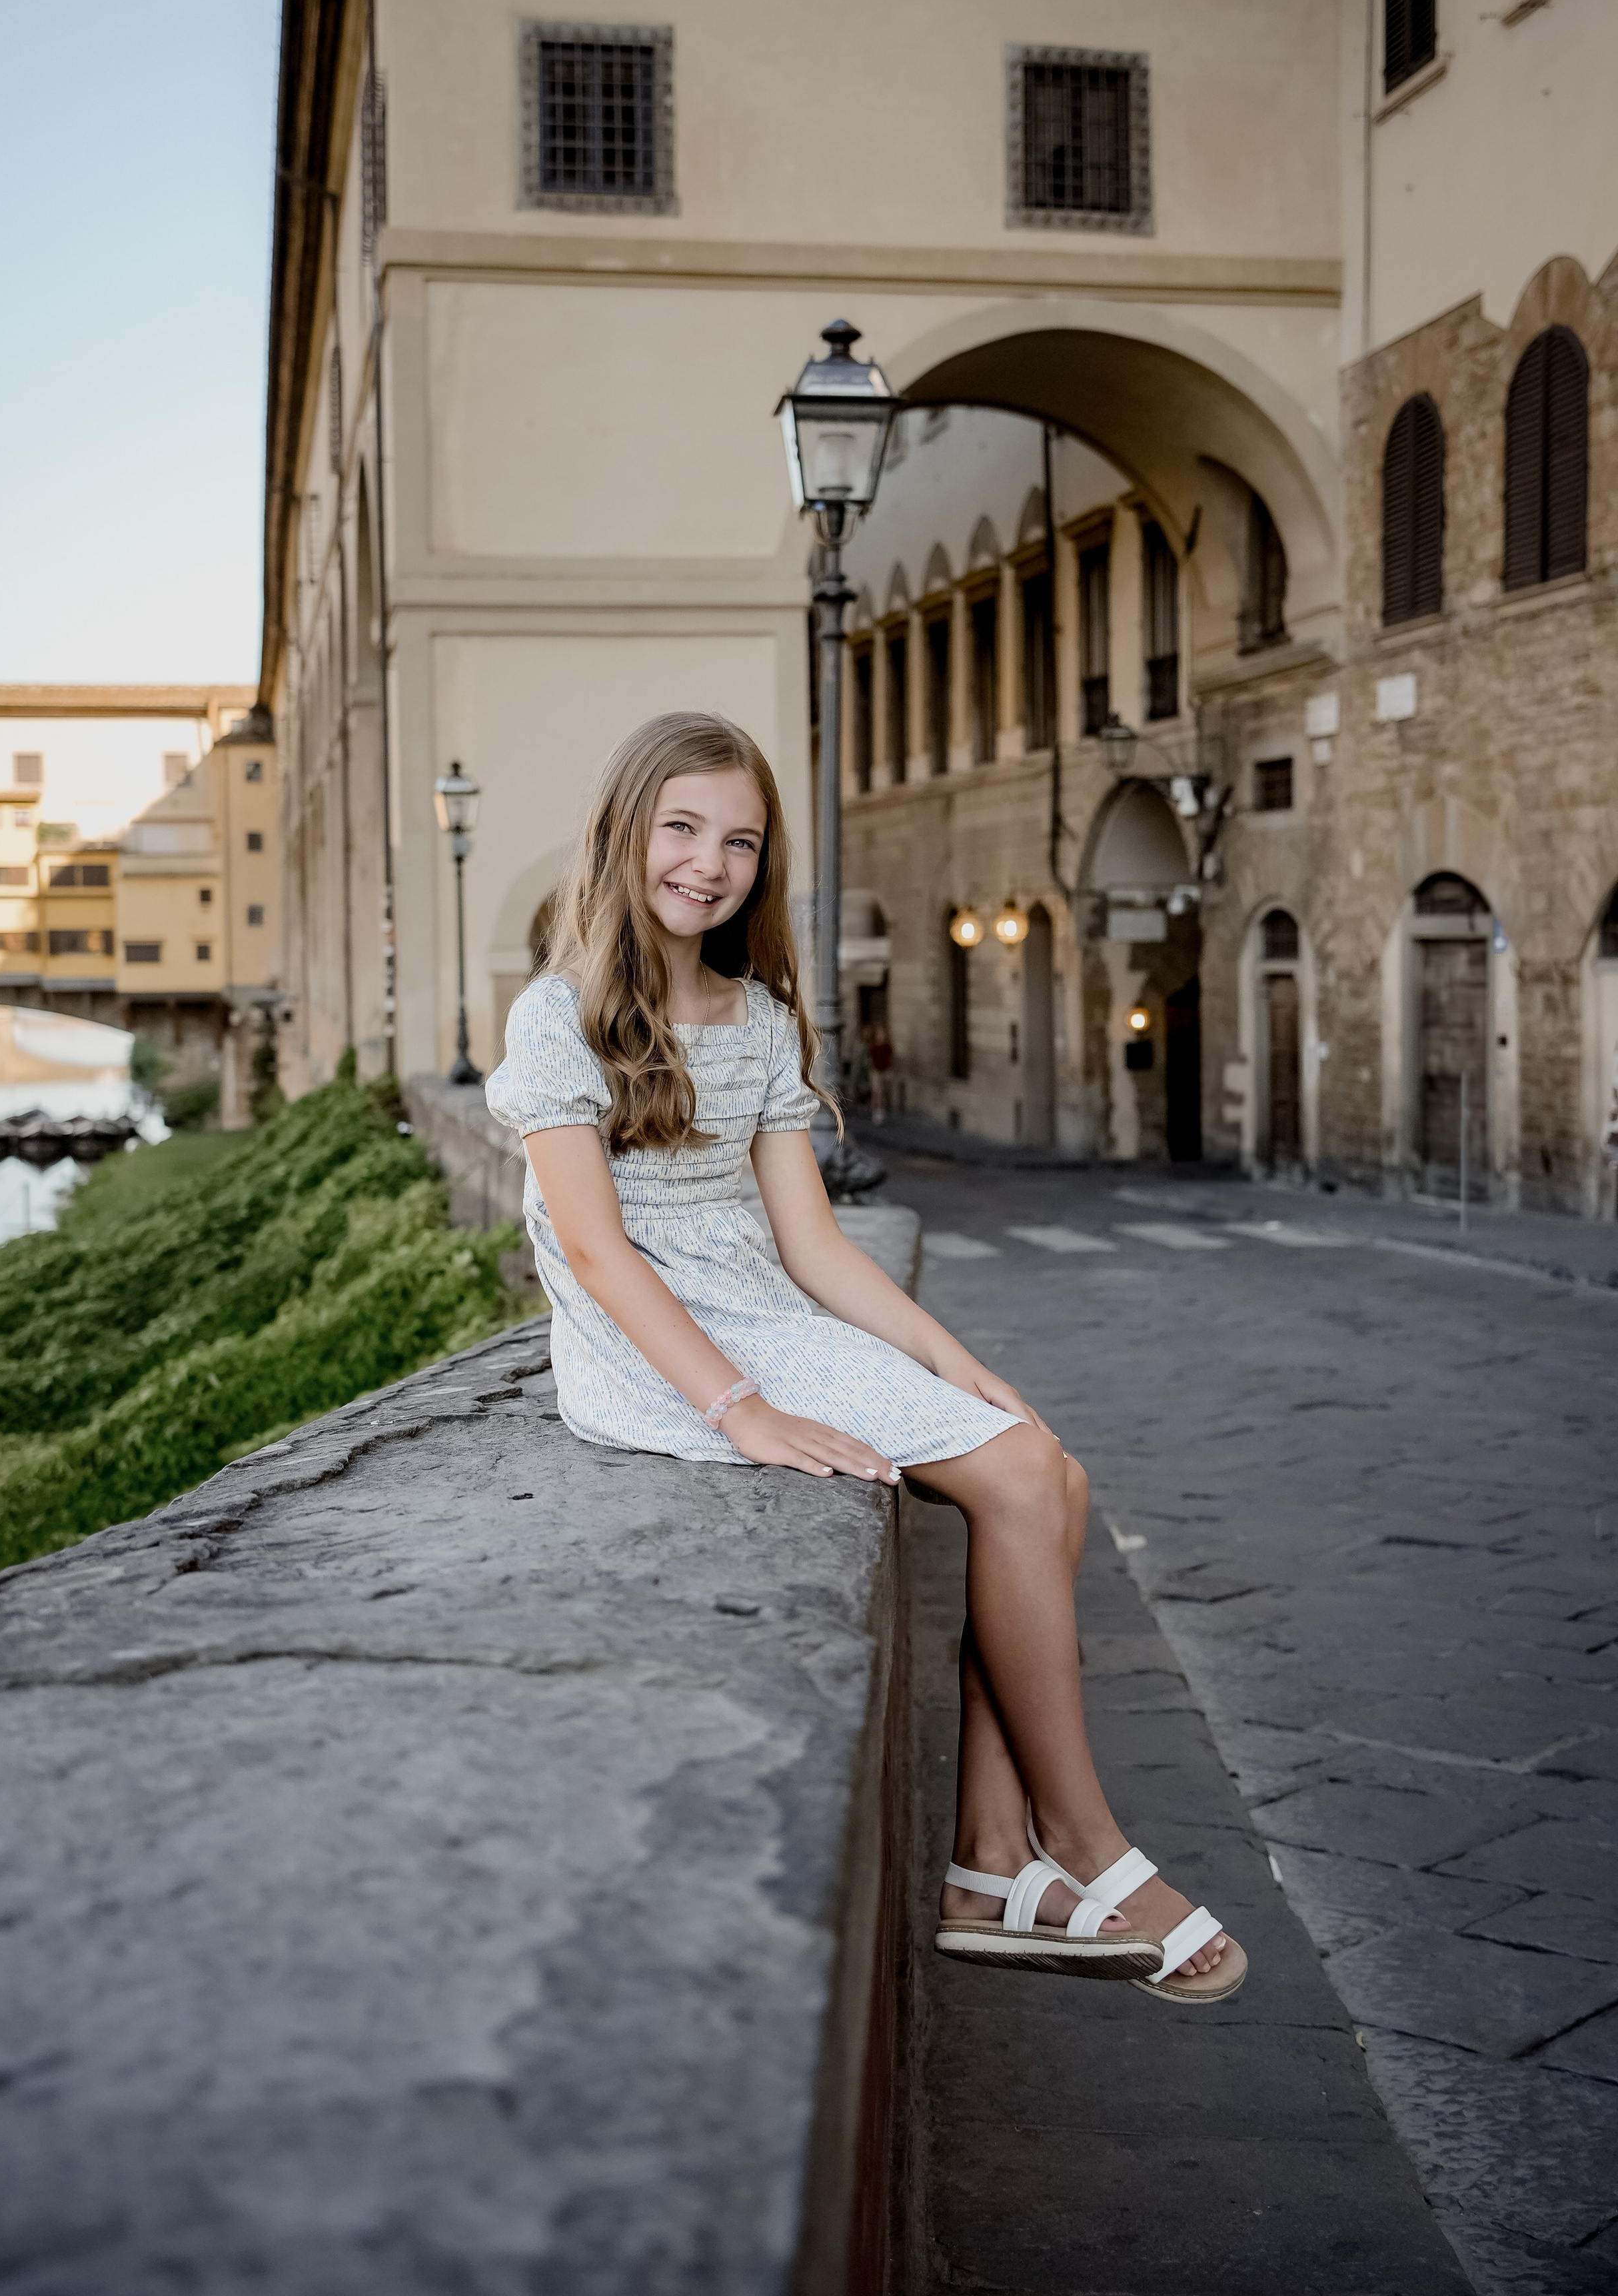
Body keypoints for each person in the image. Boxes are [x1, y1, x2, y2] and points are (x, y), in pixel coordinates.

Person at [487, 712, 1243, 2001]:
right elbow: (600, 1256)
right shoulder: (559, 1019)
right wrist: (741, 1412)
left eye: (738, 840)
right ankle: (1080, 1843)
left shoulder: (761, 1017)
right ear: (623, 834)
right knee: (1017, 1481)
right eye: (680, 829)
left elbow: (819, 1246)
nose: (707, 864)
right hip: (651, 1343)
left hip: (762, 1309)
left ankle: (990, 1867)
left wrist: (957, 1365)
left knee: (1048, 1473)